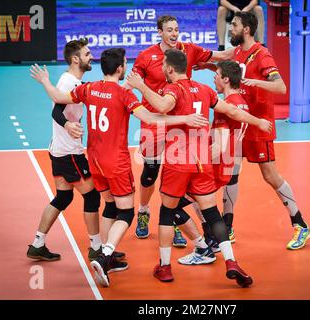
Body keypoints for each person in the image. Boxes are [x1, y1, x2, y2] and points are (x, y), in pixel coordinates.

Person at [30, 48, 209, 287]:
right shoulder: (124, 94)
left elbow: (58, 98)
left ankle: (106, 253)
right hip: (116, 161)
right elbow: (151, 118)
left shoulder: (88, 88)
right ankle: (104, 256)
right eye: (125, 63)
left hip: (94, 160)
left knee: (110, 206)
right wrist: (184, 119)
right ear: (120, 69)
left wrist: (44, 81)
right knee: (126, 212)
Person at [127, 49, 272, 287]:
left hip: (178, 161)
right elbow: (233, 111)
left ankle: (164, 267)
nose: (162, 67)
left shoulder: (174, 89)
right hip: (202, 162)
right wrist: (259, 122)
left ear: (170, 69)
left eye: (164, 64)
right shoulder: (204, 90)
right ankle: (231, 261)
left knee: (166, 210)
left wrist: (140, 86)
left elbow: (162, 107)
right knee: (212, 212)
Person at [201, 11, 310, 249]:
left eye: (235, 26)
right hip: (240, 121)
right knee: (231, 173)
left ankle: (300, 224)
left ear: (247, 30)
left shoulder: (263, 55)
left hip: (259, 124)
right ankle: (228, 228)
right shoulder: (239, 51)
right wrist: (206, 65)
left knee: (270, 176)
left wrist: (256, 82)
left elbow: (281, 87)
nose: (231, 29)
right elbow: (230, 70)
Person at [26, 39, 128, 271]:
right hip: (69, 152)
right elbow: (56, 108)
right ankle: (96, 247)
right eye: (87, 54)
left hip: (58, 151)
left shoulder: (75, 81)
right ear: (76, 59)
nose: (91, 57)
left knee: (63, 198)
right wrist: (68, 125)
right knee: (92, 197)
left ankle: (38, 243)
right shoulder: (68, 81)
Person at [129, 15, 215, 246]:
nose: (174, 34)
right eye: (169, 30)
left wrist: (235, 67)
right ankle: (144, 211)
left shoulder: (187, 50)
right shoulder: (146, 56)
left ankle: (175, 219)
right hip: (154, 121)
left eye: (177, 29)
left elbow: (216, 57)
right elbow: (132, 82)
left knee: (178, 174)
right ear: (160, 32)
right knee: (150, 173)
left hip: (179, 121)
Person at [175, 60, 249, 265]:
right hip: (232, 163)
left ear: (226, 79)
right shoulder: (241, 101)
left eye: (216, 74)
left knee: (175, 202)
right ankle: (213, 240)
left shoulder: (224, 107)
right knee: (206, 206)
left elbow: (218, 147)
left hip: (216, 166)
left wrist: (195, 159)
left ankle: (205, 246)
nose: (213, 78)